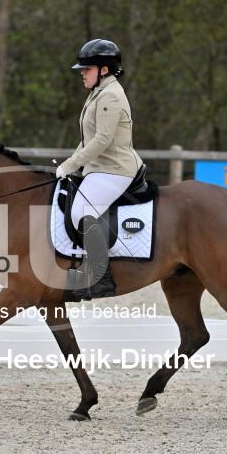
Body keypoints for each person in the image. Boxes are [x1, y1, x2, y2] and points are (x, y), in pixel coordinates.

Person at [56, 38, 143, 301]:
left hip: (115, 169)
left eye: (87, 69)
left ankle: (101, 278)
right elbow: (88, 139)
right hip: (99, 167)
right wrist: (72, 163)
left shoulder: (110, 95)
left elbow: (102, 140)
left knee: (81, 212)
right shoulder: (99, 92)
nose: (82, 73)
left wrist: (71, 164)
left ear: (104, 69)